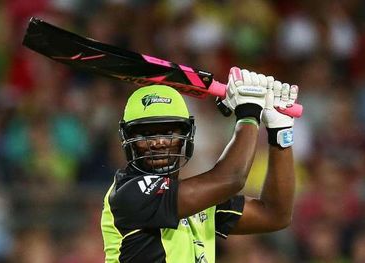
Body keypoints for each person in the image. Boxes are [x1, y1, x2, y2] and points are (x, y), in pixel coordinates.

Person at [100, 67, 299, 263]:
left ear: (186, 135)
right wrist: (248, 114)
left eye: (169, 133)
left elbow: (275, 214)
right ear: (127, 138)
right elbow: (231, 179)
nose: (159, 142)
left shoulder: (197, 201)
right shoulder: (129, 194)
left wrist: (280, 132)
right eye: (146, 134)